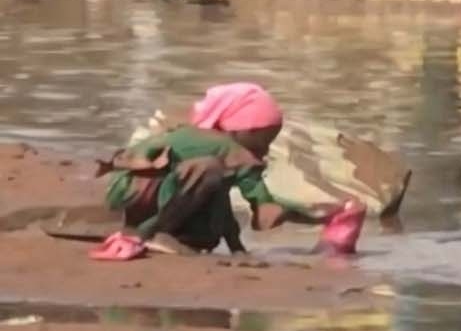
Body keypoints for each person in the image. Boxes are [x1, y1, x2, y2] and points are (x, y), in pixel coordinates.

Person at [93, 83, 338, 261]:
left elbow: (221, 201)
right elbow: (266, 216)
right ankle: (157, 233)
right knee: (208, 170)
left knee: (209, 219)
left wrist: (237, 249)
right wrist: (320, 217)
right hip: (136, 188)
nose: (265, 149)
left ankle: (154, 231)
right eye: (263, 139)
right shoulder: (234, 151)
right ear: (241, 130)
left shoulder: (207, 142)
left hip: (133, 187)